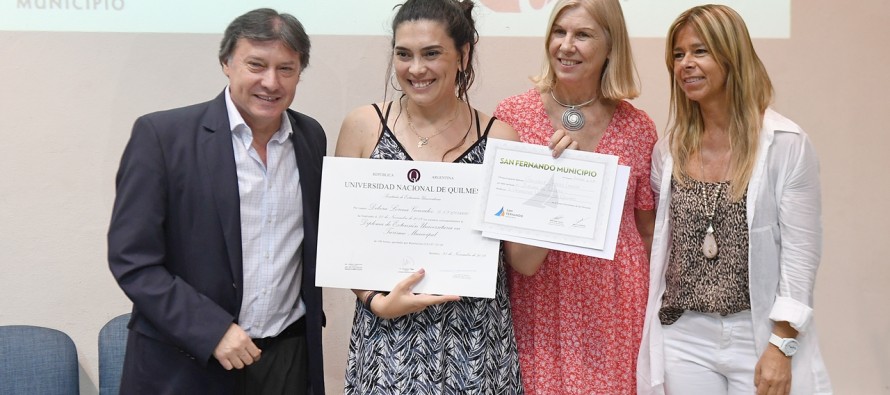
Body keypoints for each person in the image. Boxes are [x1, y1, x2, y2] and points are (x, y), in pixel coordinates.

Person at [107, 8, 326, 394]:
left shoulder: (310, 138)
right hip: (189, 361)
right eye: (255, 65)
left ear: (300, 72)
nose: (270, 82)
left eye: (286, 69)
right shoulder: (162, 136)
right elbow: (133, 259)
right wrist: (212, 331)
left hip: (288, 360)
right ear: (226, 62)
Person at [636, 5, 833, 395]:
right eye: (678, 55)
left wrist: (782, 345)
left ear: (732, 56)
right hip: (684, 336)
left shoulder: (785, 145)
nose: (685, 64)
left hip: (756, 333)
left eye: (700, 51)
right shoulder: (668, 151)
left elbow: (800, 258)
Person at [334, 0, 525, 393]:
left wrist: (552, 184)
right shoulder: (363, 125)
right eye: (404, 54)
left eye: (431, 53)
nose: (415, 69)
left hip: (475, 342)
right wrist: (375, 300)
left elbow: (524, 260)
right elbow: (342, 246)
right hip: (387, 339)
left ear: (463, 55)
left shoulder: (501, 138)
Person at [493, 0, 657, 393]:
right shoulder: (512, 115)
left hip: (615, 306)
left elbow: (647, 231)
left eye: (582, 34)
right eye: (559, 32)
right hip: (539, 300)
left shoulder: (638, 127)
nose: (566, 45)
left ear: (610, 46)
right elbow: (504, 230)